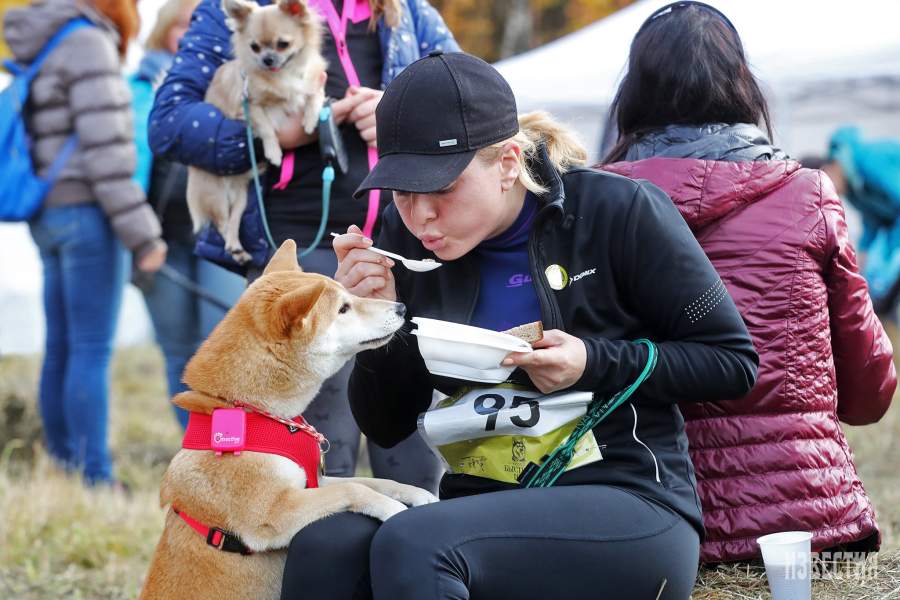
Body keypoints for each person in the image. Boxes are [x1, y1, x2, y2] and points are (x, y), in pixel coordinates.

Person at [302, 51, 759, 600]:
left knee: (414, 542)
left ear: (509, 162)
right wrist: (379, 325)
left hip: (626, 500)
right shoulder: (405, 245)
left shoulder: (620, 210)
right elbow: (385, 425)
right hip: (480, 507)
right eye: (402, 192)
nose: (421, 215)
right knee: (321, 543)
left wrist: (593, 362)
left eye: (441, 189)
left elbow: (734, 362)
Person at [599, 1, 896, 563]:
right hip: (804, 527)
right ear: (743, 86)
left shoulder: (591, 200)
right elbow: (869, 393)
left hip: (648, 522)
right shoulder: (808, 193)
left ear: (632, 93)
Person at [148, 0, 457, 490]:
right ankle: (320, 558)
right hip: (297, 246)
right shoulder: (236, 10)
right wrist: (281, 134)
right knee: (315, 445)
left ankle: (415, 556)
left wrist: (401, 114)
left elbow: (469, 99)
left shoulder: (408, 10)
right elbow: (168, 124)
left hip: (409, 240)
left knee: (415, 442)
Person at [4, 0, 167, 485]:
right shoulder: (89, 43)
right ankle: (96, 477)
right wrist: (144, 236)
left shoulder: (46, 40)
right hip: (89, 215)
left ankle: (62, 460)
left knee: (62, 346)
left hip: (48, 213)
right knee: (91, 349)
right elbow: (108, 157)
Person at [129, 0, 245, 428]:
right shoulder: (140, 86)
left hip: (218, 232)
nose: (189, 36)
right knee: (178, 351)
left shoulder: (237, 81)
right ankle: (194, 443)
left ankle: (231, 445)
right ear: (164, 30)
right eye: (182, 26)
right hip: (161, 240)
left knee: (221, 347)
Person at [801, 127, 900, 317]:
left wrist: (890, 252)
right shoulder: (854, 191)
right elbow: (873, 220)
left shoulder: (869, 161)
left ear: (830, 168)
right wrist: (863, 252)